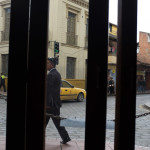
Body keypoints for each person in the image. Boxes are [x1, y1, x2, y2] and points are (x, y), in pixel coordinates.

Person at [46, 57, 71, 144]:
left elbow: (49, 91)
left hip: (50, 104)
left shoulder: (50, 75)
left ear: (51, 65)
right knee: (57, 121)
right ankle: (66, 138)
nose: (46, 64)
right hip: (56, 103)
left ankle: (66, 138)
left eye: (47, 63)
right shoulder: (57, 73)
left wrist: (47, 104)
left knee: (49, 121)